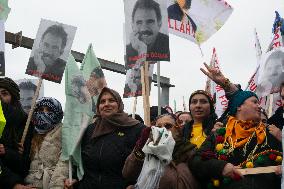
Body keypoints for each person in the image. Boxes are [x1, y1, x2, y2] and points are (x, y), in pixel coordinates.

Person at [190, 63, 282, 189]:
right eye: (254, 102)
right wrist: (221, 167)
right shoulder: (220, 132)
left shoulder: (270, 132)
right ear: (239, 107)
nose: (259, 106)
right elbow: (196, 161)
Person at [64, 87, 144, 189]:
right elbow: (79, 159)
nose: (106, 104)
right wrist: (74, 178)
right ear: (98, 106)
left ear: (119, 104)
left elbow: (144, 164)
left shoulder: (136, 129)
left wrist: (135, 184)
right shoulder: (89, 130)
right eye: (102, 101)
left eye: (111, 100)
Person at [123, 113, 200, 189]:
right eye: (158, 127)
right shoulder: (148, 148)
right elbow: (128, 174)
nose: (162, 130)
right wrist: (140, 146)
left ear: (177, 130)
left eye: (168, 126)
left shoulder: (188, 150)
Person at [25, 97, 68, 189]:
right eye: (40, 109)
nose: (44, 113)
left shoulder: (64, 133)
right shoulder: (29, 132)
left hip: (51, 184)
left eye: (49, 110)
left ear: (57, 113)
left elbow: (63, 165)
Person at [0, 77, 34, 189]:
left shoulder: (26, 124)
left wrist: (7, 152)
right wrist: (13, 184)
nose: (0, 98)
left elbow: (25, 166)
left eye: (4, 93)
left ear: (13, 97)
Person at [125, 0, 170, 69]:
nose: (144, 28)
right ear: (132, 25)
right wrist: (142, 50)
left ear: (159, 23)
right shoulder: (128, 51)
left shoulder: (165, 47)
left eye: (150, 22)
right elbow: (134, 76)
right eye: (139, 22)